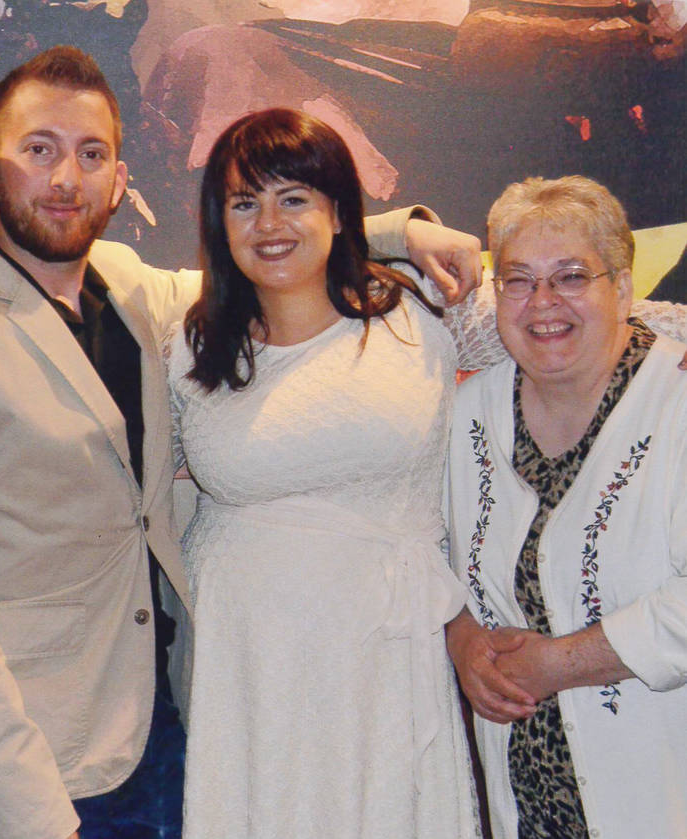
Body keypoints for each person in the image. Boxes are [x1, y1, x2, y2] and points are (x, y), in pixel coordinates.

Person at [0, 47, 483, 839]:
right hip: (29, 775)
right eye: (38, 150)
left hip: (163, 732)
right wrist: (33, 816)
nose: (65, 179)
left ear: (120, 183)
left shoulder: (126, 285)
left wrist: (397, 231)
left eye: (91, 155)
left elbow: (267, 258)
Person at [166, 107, 483, 838]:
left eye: (294, 197)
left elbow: (572, 321)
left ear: (339, 212)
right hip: (247, 674)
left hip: (384, 664)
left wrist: (412, 232)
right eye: (245, 202)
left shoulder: (422, 311)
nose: (268, 222)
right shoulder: (189, 345)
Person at [444, 176, 687, 839]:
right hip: (525, 799)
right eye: (518, 280)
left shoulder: (678, 397)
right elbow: (426, 552)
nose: (543, 303)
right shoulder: (468, 412)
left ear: (625, 289)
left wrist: (559, 662)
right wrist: (462, 638)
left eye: (572, 276)